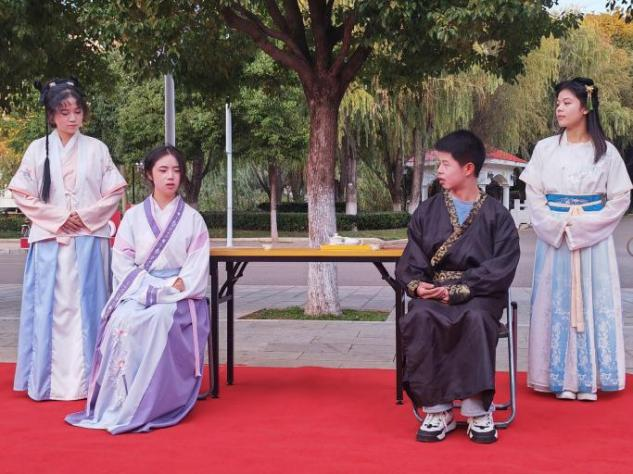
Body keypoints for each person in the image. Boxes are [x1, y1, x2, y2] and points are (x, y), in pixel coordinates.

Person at [66, 145, 210, 434]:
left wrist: (166, 291)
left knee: (158, 318)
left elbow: (194, 271)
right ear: (149, 174)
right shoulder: (132, 218)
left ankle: (153, 401)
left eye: (176, 170)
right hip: (138, 288)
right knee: (122, 319)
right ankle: (119, 400)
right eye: (163, 170)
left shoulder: (193, 220)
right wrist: (148, 289)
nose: (171, 176)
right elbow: (122, 263)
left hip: (179, 296)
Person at [396, 130, 520, 444]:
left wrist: (460, 290)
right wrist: (419, 287)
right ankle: (437, 409)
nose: (438, 170)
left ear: (468, 169)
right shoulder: (427, 211)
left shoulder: (498, 216)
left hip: (479, 294)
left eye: (445, 164)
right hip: (434, 292)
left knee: (475, 318)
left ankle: (478, 409)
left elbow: (502, 266)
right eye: (438, 164)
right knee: (420, 315)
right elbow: (412, 259)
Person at [9, 78, 126, 401]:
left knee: (89, 307)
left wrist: (84, 216)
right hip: (50, 242)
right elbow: (22, 193)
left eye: (77, 111)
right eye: (64, 112)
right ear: (51, 115)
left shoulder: (97, 149)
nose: (72, 118)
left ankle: (91, 381)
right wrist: (59, 217)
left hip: (88, 240)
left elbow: (114, 190)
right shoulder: (37, 149)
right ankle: (45, 380)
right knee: (50, 310)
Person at [520, 77, 631, 401]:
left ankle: (590, 378)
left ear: (585, 107)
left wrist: (585, 227)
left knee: (593, 302)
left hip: (592, 239)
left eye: (566, 103)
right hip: (556, 237)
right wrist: (557, 226)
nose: (559, 108)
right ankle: (555, 377)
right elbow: (534, 195)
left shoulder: (606, 152)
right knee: (554, 303)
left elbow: (620, 198)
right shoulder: (545, 149)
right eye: (557, 103)